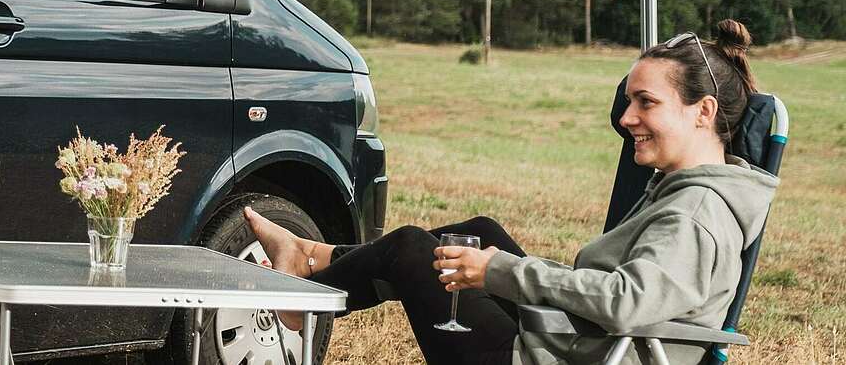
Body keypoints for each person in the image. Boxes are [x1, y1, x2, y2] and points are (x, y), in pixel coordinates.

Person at [245, 20, 778, 365]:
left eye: (646, 103)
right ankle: (313, 259)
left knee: (414, 248)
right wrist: (499, 264)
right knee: (478, 235)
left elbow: (627, 302)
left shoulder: (696, 212)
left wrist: (502, 272)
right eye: (629, 102)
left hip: (580, 355)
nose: (626, 117)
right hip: (578, 341)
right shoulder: (682, 190)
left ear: (703, 111)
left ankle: (307, 293)